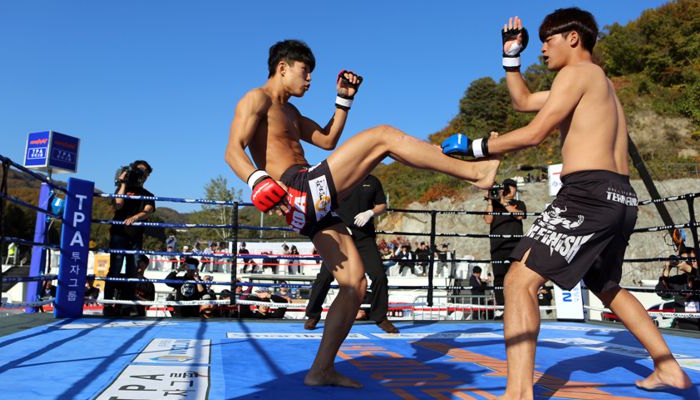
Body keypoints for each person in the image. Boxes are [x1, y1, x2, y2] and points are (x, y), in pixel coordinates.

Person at [441, 9, 691, 395]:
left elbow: (535, 132)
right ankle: (667, 366)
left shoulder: (575, 74)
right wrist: (511, 58)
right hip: (621, 196)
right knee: (605, 284)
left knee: (518, 282)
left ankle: (519, 392)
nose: (541, 50)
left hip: (587, 194)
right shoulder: (598, 83)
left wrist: (477, 147)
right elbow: (524, 101)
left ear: (573, 38)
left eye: (548, 40)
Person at [224, 39, 499, 388]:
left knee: (355, 283)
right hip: (297, 188)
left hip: (307, 202)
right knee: (382, 137)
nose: (309, 80)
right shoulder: (256, 99)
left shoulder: (291, 112)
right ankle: (476, 173)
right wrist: (258, 180)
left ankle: (321, 369)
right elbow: (232, 150)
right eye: (305, 71)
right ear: (283, 67)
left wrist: (343, 100)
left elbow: (326, 140)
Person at [304, 175, 399, 334]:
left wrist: (370, 212)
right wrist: (334, 225)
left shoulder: (372, 181)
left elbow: (382, 205)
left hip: (364, 237)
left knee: (379, 275)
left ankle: (380, 317)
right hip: (339, 236)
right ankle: (313, 314)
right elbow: (321, 206)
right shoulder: (336, 177)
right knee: (325, 277)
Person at [103, 160, 155, 317]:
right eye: (140, 170)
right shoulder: (121, 189)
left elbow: (149, 210)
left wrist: (136, 217)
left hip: (135, 236)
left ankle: (126, 304)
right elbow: (118, 204)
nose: (143, 174)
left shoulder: (148, 194)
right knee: (115, 267)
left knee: (133, 270)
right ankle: (108, 303)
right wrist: (123, 183)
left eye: (146, 172)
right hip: (119, 234)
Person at [483, 178, 526, 308]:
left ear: (515, 189)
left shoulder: (518, 203)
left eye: (510, 187)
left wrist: (504, 202)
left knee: (516, 275)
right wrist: (491, 200)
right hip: (498, 245)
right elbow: (488, 220)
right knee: (499, 276)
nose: (507, 189)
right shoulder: (494, 205)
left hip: (515, 245)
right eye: (505, 187)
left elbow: (519, 215)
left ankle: (516, 304)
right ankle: (501, 306)